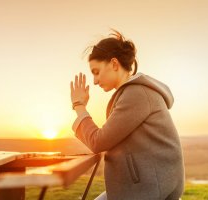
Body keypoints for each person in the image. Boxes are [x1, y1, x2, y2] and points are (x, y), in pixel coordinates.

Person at [70, 30, 185, 200]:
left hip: (150, 190)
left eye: (96, 72)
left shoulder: (136, 94)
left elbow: (98, 141)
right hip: (145, 186)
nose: (94, 81)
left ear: (114, 64)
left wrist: (79, 106)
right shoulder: (132, 93)